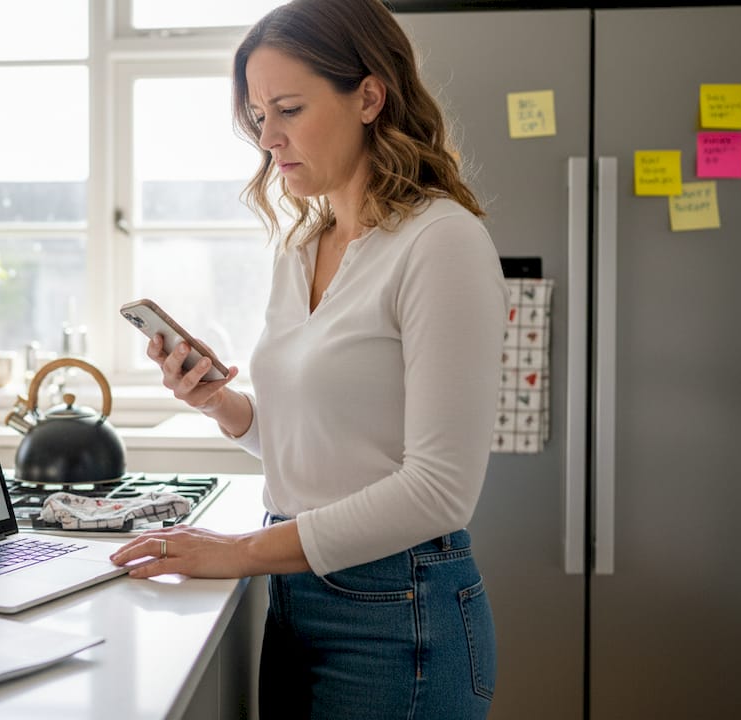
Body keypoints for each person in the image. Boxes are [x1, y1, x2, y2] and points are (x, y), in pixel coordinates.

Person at [109, 0, 507, 717]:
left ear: (369, 97)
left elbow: (439, 491)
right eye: (259, 116)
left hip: (399, 611)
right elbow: (329, 448)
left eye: (289, 109)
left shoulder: (440, 243)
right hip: (297, 595)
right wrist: (223, 405)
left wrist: (237, 552)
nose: (269, 139)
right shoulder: (300, 248)